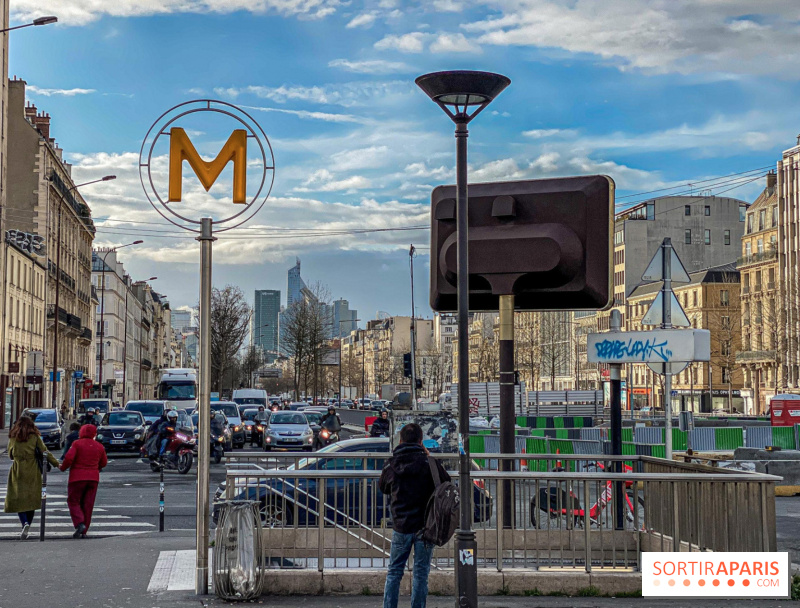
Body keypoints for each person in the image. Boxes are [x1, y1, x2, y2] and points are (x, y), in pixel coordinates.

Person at [379, 423, 449, 608]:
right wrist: (428, 455)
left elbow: (383, 487)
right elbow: (445, 483)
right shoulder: (430, 464)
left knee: (394, 571)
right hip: (426, 527)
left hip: (401, 526)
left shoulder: (392, 463)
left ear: (400, 440)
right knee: (420, 573)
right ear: (421, 441)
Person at [4, 416, 60, 539]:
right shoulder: (34, 437)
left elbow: (10, 455)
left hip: (18, 469)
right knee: (32, 499)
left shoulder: (13, 437)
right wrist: (56, 463)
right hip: (33, 469)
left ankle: (24, 523)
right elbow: (45, 452)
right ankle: (28, 523)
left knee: (19, 499)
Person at [60, 424, 107, 538]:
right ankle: (84, 530)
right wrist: (96, 467)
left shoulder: (76, 444)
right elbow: (104, 462)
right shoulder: (99, 446)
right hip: (93, 479)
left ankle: (79, 523)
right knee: (88, 504)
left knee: (73, 501)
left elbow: (69, 458)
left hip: (77, 477)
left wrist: (63, 467)